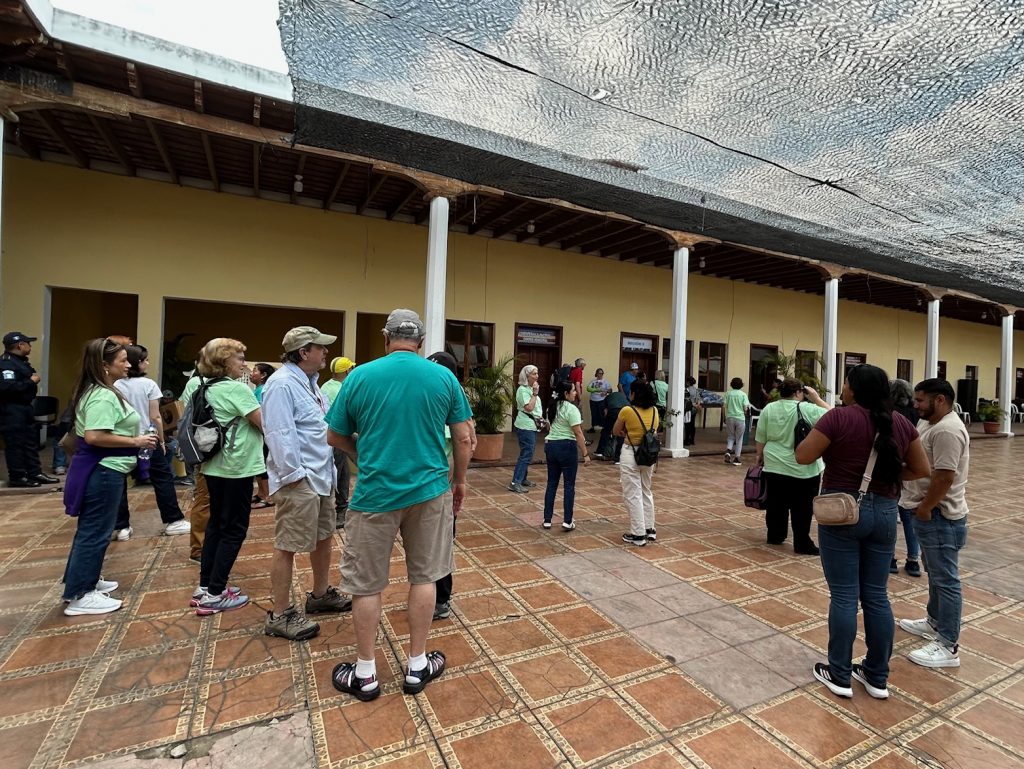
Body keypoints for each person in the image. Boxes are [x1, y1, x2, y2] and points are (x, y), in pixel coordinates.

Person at [326, 309, 474, 702]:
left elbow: (334, 436)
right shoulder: (443, 377)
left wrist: (367, 455)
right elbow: (463, 437)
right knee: (425, 578)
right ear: (421, 342)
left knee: (366, 584)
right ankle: (417, 665)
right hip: (429, 492)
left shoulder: (359, 376)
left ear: (385, 337)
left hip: (374, 494)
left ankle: (365, 673)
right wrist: (459, 481)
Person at [796, 363, 929, 700]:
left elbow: (803, 456)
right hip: (884, 512)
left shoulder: (838, 418)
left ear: (853, 389)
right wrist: (890, 476)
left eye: (845, 383)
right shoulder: (901, 423)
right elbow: (921, 468)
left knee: (844, 595)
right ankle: (877, 676)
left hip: (842, 510)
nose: (842, 388)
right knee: (876, 595)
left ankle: (839, 673)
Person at [262, 327, 352, 641]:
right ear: (303, 352)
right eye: (320, 347)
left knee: (324, 535)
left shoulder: (310, 383)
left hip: (321, 475)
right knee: (288, 544)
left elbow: (321, 427)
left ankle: (320, 594)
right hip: (300, 479)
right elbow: (278, 433)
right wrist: (295, 476)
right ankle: (280, 613)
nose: (326, 352)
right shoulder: (282, 384)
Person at [61, 338, 159, 615]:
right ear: (105, 365)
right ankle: (81, 594)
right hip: (104, 470)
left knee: (92, 529)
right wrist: (136, 441)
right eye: (123, 361)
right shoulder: (102, 396)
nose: (129, 365)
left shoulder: (101, 391)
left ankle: (83, 580)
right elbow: (95, 436)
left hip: (104, 469)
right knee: (96, 531)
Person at [188, 338, 265, 616]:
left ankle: (205, 586)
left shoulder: (204, 387)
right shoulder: (236, 389)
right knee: (234, 530)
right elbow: (265, 423)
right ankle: (216, 594)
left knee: (216, 527)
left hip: (213, 467)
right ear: (224, 361)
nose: (244, 363)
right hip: (237, 467)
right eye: (239, 358)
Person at [898, 378, 970, 669]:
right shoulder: (930, 423)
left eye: (920, 400)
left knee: (946, 580)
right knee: (935, 573)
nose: (915, 405)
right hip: (928, 513)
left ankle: (948, 644)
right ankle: (934, 621)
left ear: (939, 400)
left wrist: (926, 508)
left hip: (940, 516)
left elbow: (944, 476)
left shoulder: (947, 431)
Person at [112, 344, 190, 539]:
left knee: (120, 481)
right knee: (162, 478)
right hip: (148, 439)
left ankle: (121, 527)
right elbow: (155, 417)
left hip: (122, 440)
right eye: (145, 360)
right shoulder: (149, 385)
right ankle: (174, 520)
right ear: (137, 363)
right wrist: (161, 440)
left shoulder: (115, 385)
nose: (147, 363)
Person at [755, 379, 831, 555]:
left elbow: (761, 436)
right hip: (803, 468)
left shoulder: (769, 408)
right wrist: (816, 398)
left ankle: (775, 535)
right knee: (802, 507)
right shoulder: (807, 408)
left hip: (774, 465)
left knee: (775, 503)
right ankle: (802, 542)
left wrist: (759, 456)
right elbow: (834, 416)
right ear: (798, 392)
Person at [426, 351, 468, 621]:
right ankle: (430, 596)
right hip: (430, 485)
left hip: (439, 486)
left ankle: (441, 599)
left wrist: (455, 482)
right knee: (431, 545)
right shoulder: (435, 396)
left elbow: (461, 443)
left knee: (439, 545)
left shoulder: (450, 398)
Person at [1, 331, 58, 487]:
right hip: (11, 409)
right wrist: (31, 382)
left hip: (25, 407)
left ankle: (35, 473)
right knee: (15, 444)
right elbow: (6, 388)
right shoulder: (6, 364)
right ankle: (17, 476)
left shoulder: (20, 362)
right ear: (20, 345)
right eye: (28, 343)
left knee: (30, 442)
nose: (30, 346)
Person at [614, 381, 660, 546]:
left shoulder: (627, 410)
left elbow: (616, 430)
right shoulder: (655, 410)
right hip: (649, 455)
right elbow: (654, 431)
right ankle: (650, 529)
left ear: (634, 393)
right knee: (646, 490)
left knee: (633, 494)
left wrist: (628, 432)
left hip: (631, 453)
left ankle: (638, 534)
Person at [542, 379, 591, 529]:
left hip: (551, 446)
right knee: (569, 485)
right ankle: (567, 521)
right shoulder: (572, 409)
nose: (575, 393)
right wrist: (585, 453)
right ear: (566, 393)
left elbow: (549, 427)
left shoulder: (551, 407)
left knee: (552, 484)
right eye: (573, 390)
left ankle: (547, 519)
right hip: (567, 447)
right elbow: (578, 432)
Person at [889, 378, 922, 577]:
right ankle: (913, 560)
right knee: (908, 517)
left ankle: (891, 558)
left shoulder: (889, 414)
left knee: (891, 516)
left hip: (893, 468)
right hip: (912, 469)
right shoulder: (916, 414)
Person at [322, 356, 356, 526]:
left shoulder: (325, 386)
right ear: (347, 371)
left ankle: (337, 507)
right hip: (338, 436)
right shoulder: (343, 388)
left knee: (339, 471)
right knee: (341, 473)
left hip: (325, 436)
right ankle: (341, 508)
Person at [509, 364, 542, 494]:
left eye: (537, 373)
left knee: (528, 452)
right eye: (534, 373)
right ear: (527, 376)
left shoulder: (530, 389)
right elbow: (529, 408)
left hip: (532, 425)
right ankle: (515, 482)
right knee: (526, 453)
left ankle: (522, 478)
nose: (537, 376)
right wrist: (535, 394)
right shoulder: (523, 390)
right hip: (525, 426)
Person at [595, 389, 628, 461]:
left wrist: (607, 423)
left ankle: (600, 451)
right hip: (626, 411)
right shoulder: (623, 396)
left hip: (613, 411)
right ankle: (617, 458)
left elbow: (605, 412)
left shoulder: (607, 398)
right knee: (621, 434)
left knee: (605, 432)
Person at [724, 377, 750, 466]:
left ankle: (728, 450)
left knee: (730, 436)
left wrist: (724, 417)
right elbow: (745, 408)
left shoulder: (728, 394)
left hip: (729, 417)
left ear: (732, 384)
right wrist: (745, 413)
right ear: (741, 385)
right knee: (739, 438)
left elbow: (724, 406)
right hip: (740, 418)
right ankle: (737, 458)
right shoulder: (743, 395)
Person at [586, 368, 612, 433]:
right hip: (593, 400)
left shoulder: (605, 382)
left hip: (601, 400)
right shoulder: (593, 381)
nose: (601, 375)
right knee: (593, 414)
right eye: (599, 373)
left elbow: (610, 390)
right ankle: (593, 427)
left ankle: (603, 428)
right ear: (596, 374)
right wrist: (596, 390)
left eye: (602, 373)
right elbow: (588, 388)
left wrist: (606, 392)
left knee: (602, 414)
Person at [683, 376, 701, 446]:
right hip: (694, 409)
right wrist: (697, 405)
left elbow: (687, 400)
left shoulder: (686, 390)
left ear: (688, 382)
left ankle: (687, 440)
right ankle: (692, 440)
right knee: (692, 424)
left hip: (688, 409)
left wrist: (693, 404)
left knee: (687, 424)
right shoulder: (696, 390)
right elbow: (699, 399)